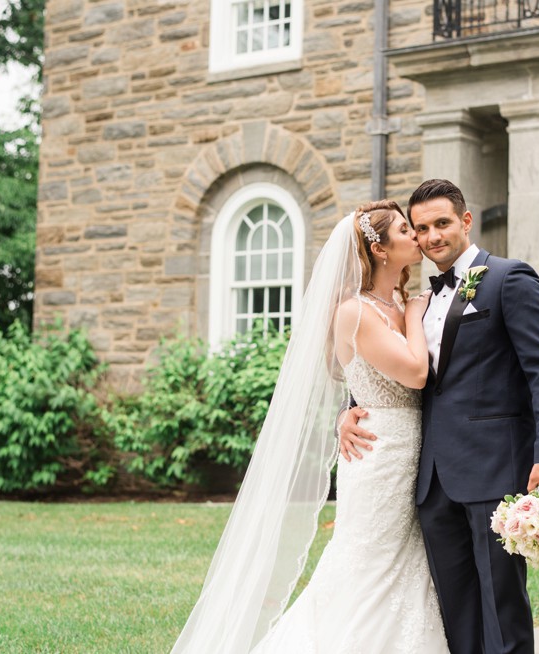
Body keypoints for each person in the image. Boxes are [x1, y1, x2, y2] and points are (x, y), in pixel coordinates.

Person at [170, 201, 450, 653]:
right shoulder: (354, 312)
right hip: (378, 457)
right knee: (366, 566)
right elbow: (416, 373)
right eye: (405, 229)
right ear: (379, 248)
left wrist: (349, 409)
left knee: (404, 566)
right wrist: (416, 317)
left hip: (410, 451)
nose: (417, 236)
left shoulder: (396, 300)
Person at [340, 179, 539, 654]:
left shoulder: (510, 278)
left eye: (442, 223)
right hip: (428, 480)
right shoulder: (414, 303)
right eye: (421, 228)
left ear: (466, 222)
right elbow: (385, 367)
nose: (431, 237)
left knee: (501, 603)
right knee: (453, 607)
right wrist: (351, 410)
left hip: (494, 470)